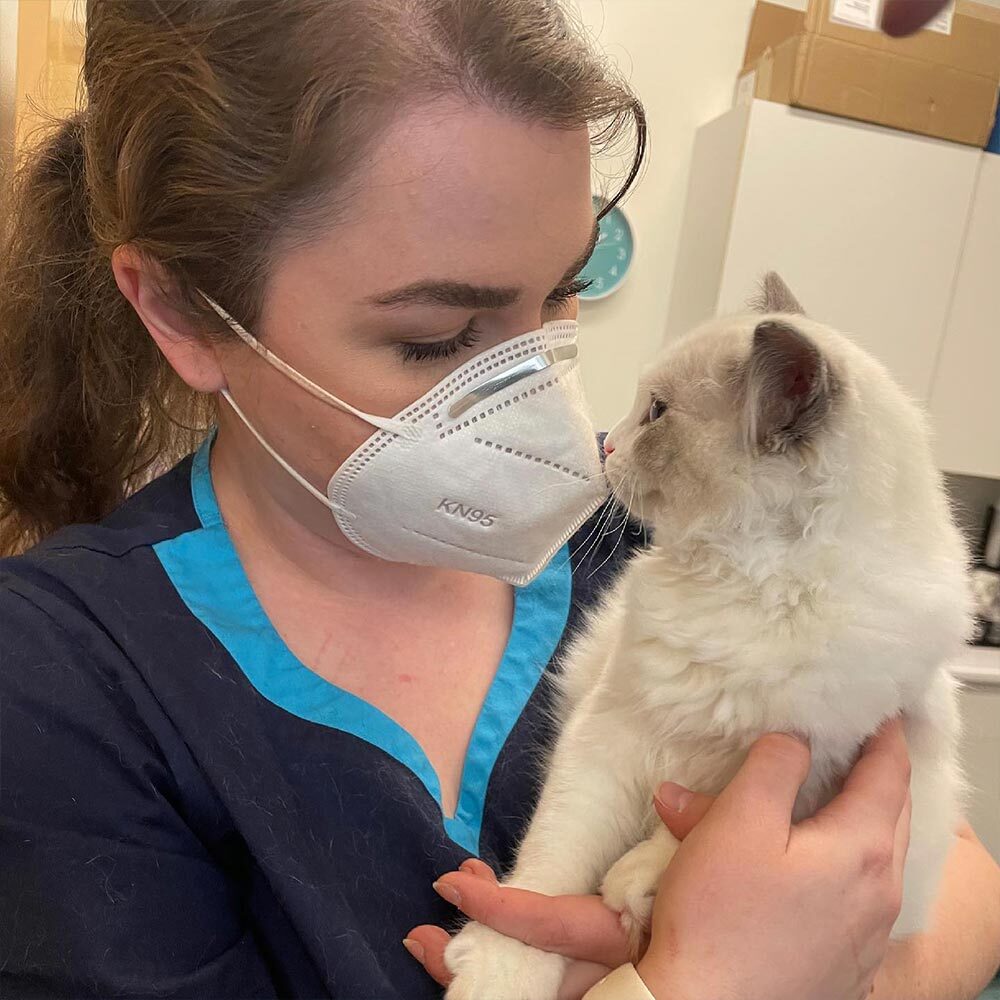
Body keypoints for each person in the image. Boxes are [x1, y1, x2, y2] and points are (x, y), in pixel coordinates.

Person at [0, 2, 996, 999]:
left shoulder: (650, 549)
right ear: (183, 311)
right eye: (436, 336)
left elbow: (958, 878)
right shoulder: (61, 680)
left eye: (559, 298)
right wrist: (702, 984)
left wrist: (845, 974)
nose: (547, 406)